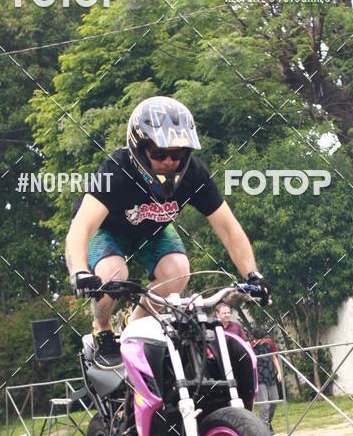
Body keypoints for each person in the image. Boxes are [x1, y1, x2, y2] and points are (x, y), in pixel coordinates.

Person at [66, 96, 271, 368]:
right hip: (107, 231)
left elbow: (228, 228)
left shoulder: (195, 175)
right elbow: (81, 227)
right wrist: (79, 271)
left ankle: (134, 325)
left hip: (153, 231)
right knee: (113, 273)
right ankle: (102, 329)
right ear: (139, 149)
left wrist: (252, 275)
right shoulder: (117, 171)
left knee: (178, 270)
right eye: (159, 154)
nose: (169, 162)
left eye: (178, 154)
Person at [251, 327, 282, 429]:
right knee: (264, 404)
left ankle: (268, 421)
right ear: (256, 339)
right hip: (259, 378)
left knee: (275, 400)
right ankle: (266, 427)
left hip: (270, 375)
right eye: (261, 339)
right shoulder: (251, 346)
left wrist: (279, 371)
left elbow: (274, 357)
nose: (263, 340)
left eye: (264, 338)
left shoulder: (269, 343)